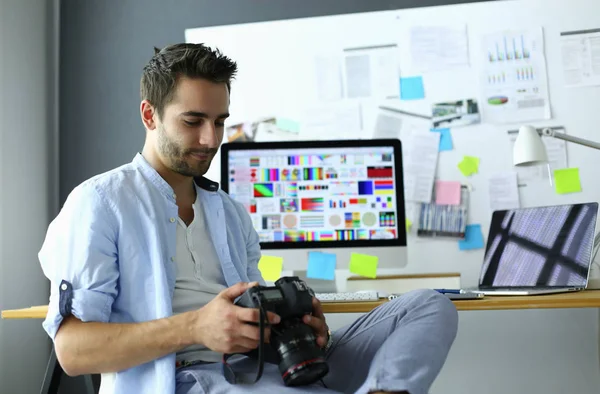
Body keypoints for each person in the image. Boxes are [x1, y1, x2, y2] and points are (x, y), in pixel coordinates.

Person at [39, 43, 458, 394]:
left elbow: (249, 314)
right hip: (189, 377)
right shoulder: (99, 203)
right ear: (149, 115)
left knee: (428, 307)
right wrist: (197, 328)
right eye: (193, 121)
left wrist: (293, 329)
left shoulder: (230, 211)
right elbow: (73, 352)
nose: (211, 139)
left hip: (268, 368)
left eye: (220, 121)